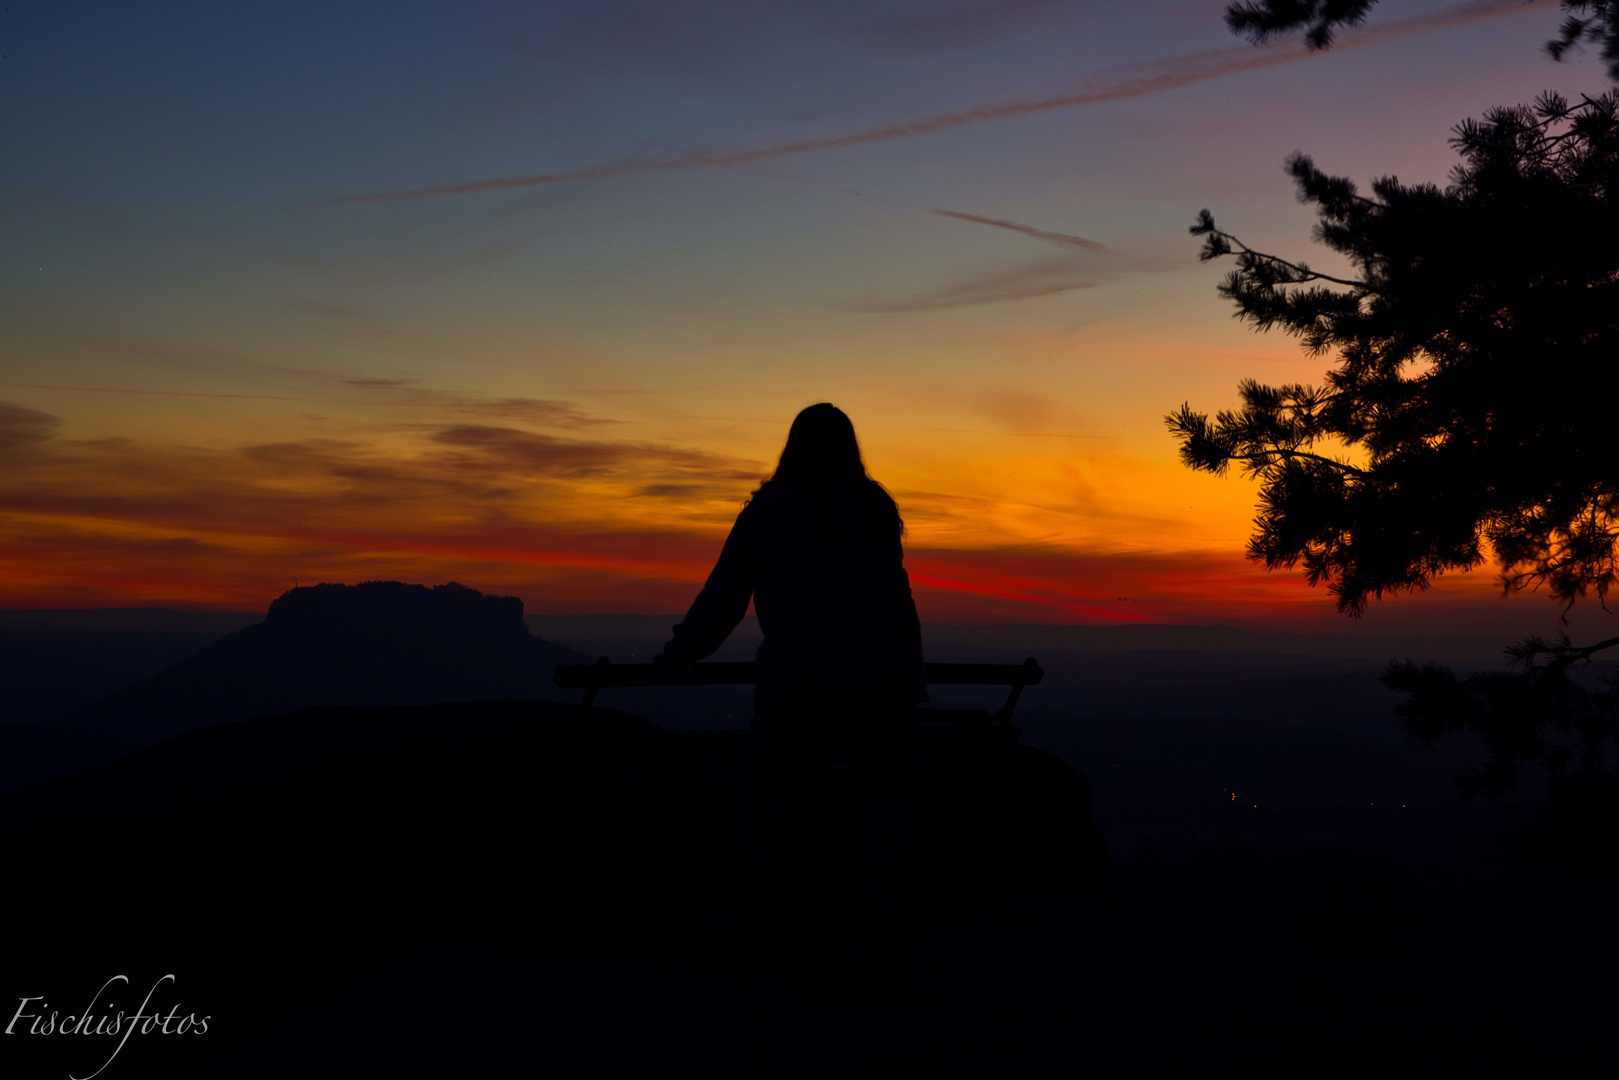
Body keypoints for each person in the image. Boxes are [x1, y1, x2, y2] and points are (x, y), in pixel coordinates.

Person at [655, 403, 926, 946]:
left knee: (762, 789)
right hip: (879, 678)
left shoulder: (771, 511)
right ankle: (883, 922)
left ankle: (764, 915)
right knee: (879, 802)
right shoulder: (871, 507)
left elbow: (726, 595)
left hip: (798, 676)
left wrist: (682, 652)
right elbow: (896, 600)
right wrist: (907, 676)